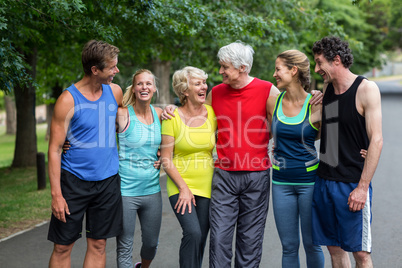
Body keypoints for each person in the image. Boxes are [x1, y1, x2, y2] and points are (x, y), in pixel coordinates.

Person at [47, 40, 123, 267]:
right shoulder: (67, 99)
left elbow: (136, 113)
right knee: (62, 246)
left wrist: (165, 112)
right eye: (112, 67)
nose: (116, 71)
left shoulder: (115, 92)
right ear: (95, 70)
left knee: (99, 244)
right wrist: (56, 195)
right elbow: (54, 149)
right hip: (73, 182)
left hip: (108, 182)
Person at [311, 36, 383, 268]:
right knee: (334, 249)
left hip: (351, 183)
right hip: (325, 180)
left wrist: (362, 188)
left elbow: (377, 140)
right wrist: (316, 108)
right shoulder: (328, 88)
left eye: (320, 62)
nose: (317, 68)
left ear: (337, 60)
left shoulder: (366, 89)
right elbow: (329, 132)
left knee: (360, 253)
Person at [269, 49, 324, 267]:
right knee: (289, 246)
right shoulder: (273, 101)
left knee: (312, 244)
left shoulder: (317, 103)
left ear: (293, 70)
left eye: (278, 69)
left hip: (309, 183)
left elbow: (335, 139)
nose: (274, 74)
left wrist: (363, 150)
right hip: (280, 183)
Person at [160, 66, 217, 268]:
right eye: (197, 83)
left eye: (204, 82)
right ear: (184, 90)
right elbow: (166, 159)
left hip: (207, 185)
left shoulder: (211, 113)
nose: (204, 87)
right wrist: (184, 188)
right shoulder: (172, 117)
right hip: (180, 185)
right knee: (192, 232)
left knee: (200, 238)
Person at [115, 69, 163, 268]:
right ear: (134, 89)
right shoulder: (122, 114)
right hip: (125, 191)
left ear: (154, 88)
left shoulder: (160, 114)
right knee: (124, 245)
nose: (144, 87)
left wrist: (164, 156)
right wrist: (67, 143)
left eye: (148, 84)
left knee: (151, 244)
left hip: (152, 190)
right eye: (140, 84)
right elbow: (95, 134)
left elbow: (175, 142)